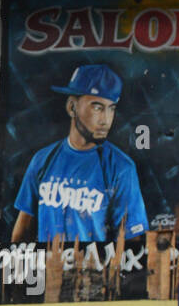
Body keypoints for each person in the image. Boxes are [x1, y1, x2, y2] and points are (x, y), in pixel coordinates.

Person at [11, 64, 147, 245]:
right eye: (97, 107)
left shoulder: (121, 167)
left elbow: (132, 241)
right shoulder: (43, 159)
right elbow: (23, 230)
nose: (106, 119)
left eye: (111, 108)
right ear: (71, 107)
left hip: (93, 271)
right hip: (47, 270)